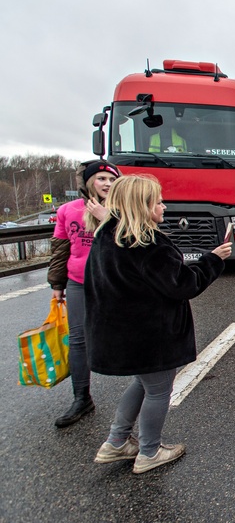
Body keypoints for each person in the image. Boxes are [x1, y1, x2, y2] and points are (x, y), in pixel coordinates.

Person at [86, 175, 231, 473]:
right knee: (158, 389)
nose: (164, 206)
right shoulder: (148, 243)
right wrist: (212, 260)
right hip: (151, 334)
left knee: (143, 382)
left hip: (120, 332)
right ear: (143, 206)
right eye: (158, 201)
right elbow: (182, 285)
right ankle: (149, 451)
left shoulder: (107, 235)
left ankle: (116, 442)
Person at [47, 159, 120, 428]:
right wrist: (57, 285)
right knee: (78, 339)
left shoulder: (122, 210)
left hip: (112, 281)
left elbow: (132, 242)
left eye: (112, 180)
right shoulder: (68, 210)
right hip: (78, 281)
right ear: (89, 182)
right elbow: (60, 250)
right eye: (101, 179)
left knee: (125, 333)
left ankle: (148, 388)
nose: (107, 184)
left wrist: (108, 218)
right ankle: (81, 398)